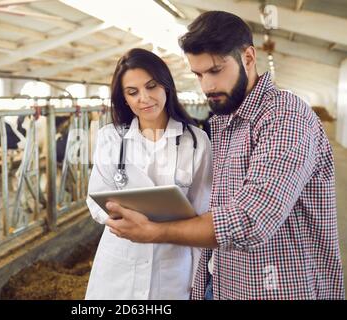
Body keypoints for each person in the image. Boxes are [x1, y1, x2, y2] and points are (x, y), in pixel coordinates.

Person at [105, 11, 345, 300]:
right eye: (199, 74)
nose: (207, 86)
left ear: (248, 57)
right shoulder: (224, 121)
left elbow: (250, 220)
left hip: (279, 288)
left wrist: (154, 231)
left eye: (216, 71)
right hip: (225, 285)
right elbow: (215, 208)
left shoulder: (285, 115)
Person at [85, 48, 212, 300]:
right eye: (132, 92)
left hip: (172, 269)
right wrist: (120, 220)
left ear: (166, 86)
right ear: (124, 98)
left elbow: (203, 212)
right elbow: (94, 199)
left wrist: (197, 281)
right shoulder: (110, 138)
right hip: (118, 263)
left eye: (151, 86)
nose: (144, 98)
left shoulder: (197, 142)